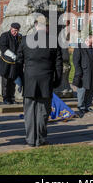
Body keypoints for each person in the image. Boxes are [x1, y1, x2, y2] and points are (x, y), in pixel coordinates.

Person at [16, 17, 63, 147]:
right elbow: (58, 63)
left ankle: (30, 139)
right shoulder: (53, 41)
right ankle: (40, 138)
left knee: (29, 111)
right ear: (46, 27)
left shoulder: (25, 40)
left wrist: (20, 79)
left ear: (36, 26)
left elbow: (18, 62)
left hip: (29, 79)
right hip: (46, 80)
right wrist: (57, 80)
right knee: (43, 111)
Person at [73, 35, 93, 117]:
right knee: (82, 91)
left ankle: (88, 106)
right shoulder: (79, 47)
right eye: (90, 43)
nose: (91, 45)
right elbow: (76, 61)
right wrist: (79, 72)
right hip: (83, 73)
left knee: (90, 90)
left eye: (92, 43)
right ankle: (81, 106)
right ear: (86, 40)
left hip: (92, 73)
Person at [0, 23, 22, 104]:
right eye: (14, 30)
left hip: (15, 63)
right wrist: (12, 55)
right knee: (6, 82)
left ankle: (12, 98)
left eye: (17, 31)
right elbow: (3, 47)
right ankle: (5, 98)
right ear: (11, 28)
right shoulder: (5, 36)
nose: (15, 32)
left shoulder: (19, 37)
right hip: (6, 62)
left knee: (13, 81)